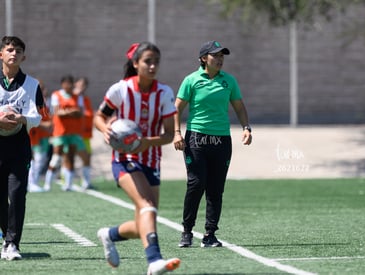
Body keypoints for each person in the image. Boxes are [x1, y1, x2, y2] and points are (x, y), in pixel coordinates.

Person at [94, 42, 180, 274]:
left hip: (151, 160)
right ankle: (154, 261)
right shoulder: (120, 89)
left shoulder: (164, 93)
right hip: (124, 158)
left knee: (145, 219)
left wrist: (145, 143)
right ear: (135, 64)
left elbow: (170, 135)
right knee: (147, 206)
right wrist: (105, 130)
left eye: (156, 62)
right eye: (147, 61)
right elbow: (99, 117)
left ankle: (109, 234)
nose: (152, 66)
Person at [173, 40, 252, 248]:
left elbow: (239, 107)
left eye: (222, 56)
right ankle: (187, 231)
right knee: (196, 183)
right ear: (203, 59)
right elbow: (177, 108)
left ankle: (210, 234)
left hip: (221, 140)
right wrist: (177, 133)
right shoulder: (191, 80)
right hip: (196, 139)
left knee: (216, 189)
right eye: (215, 55)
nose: (219, 59)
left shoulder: (229, 81)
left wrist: (246, 128)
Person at [0, 36, 43, 260]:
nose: (13, 53)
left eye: (18, 51)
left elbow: (40, 116)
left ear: (23, 57)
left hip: (18, 146)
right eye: (9, 49)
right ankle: (7, 234)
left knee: (17, 194)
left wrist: (22, 118)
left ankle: (12, 244)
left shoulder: (32, 84)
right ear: (1, 54)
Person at [43, 75, 86, 191]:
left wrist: (67, 112)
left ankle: (68, 184)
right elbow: (57, 112)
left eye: (70, 83)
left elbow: (81, 112)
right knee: (56, 157)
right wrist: (72, 111)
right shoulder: (56, 95)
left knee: (71, 157)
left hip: (74, 131)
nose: (69, 86)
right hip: (60, 131)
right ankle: (47, 183)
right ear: (62, 84)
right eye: (66, 83)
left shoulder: (78, 97)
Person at [28, 79, 53, 193]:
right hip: (34, 133)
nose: (44, 91)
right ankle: (32, 182)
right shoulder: (31, 101)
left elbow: (50, 116)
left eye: (43, 89)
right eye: (41, 89)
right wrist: (43, 125)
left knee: (41, 159)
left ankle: (35, 182)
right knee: (34, 158)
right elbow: (31, 118)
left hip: (44, 135)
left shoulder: (47, 102)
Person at [73, 76, 93, 189]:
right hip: (75, 133)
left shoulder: (85, 99)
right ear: (75, 84)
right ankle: (66, 181)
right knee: (68, 156)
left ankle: (86, 182)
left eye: (84, 85)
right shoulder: (73, 98)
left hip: (86, 133)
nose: (82, 87)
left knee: (87, 156)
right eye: (80, 84)